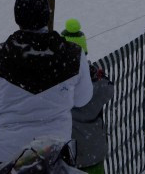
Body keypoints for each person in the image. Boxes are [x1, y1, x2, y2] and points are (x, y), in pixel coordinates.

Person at [0, 0, 93, 168]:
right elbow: (83, 98)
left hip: (10, 158)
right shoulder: (73, 55)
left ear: (17, 17)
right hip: (55, 156)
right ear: (47, 15)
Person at [61, 19, 115, 174]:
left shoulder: (60, 86)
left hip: (69, 155)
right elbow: (108, 89)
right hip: (95, 151)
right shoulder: (97, 84)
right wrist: (96, 75)